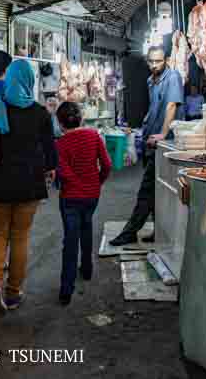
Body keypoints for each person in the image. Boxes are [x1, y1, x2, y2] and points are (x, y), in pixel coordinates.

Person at [0, 60, 57, 313]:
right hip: (29, 186)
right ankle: (14, 292)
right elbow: (51, 157)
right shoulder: (40, 113)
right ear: (29, 81)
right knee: (20, 238)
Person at [109, 46, 183, 247]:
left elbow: (171, 106)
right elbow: (154, 107)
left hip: (164, 143)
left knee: (146, 190)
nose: (154, 65)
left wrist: (164, 133)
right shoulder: (151, 81)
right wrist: (145, 123)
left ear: (165, 60)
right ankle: (159, 231)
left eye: (158, 61)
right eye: (150, 61)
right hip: (150, 141)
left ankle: (130, 232)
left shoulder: (172, 77)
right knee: (156, 191)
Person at [55, 102, 112, 306]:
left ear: (61, 124)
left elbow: (64, 173)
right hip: (91, 196)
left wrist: (76, 186)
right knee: (86, 228)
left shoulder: (60, 144)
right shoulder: (93, 136)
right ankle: (86, 270)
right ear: (81, 118)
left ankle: (66, 289)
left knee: (70, 240)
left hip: (70, 198)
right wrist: (97, 182)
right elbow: (107, 164)